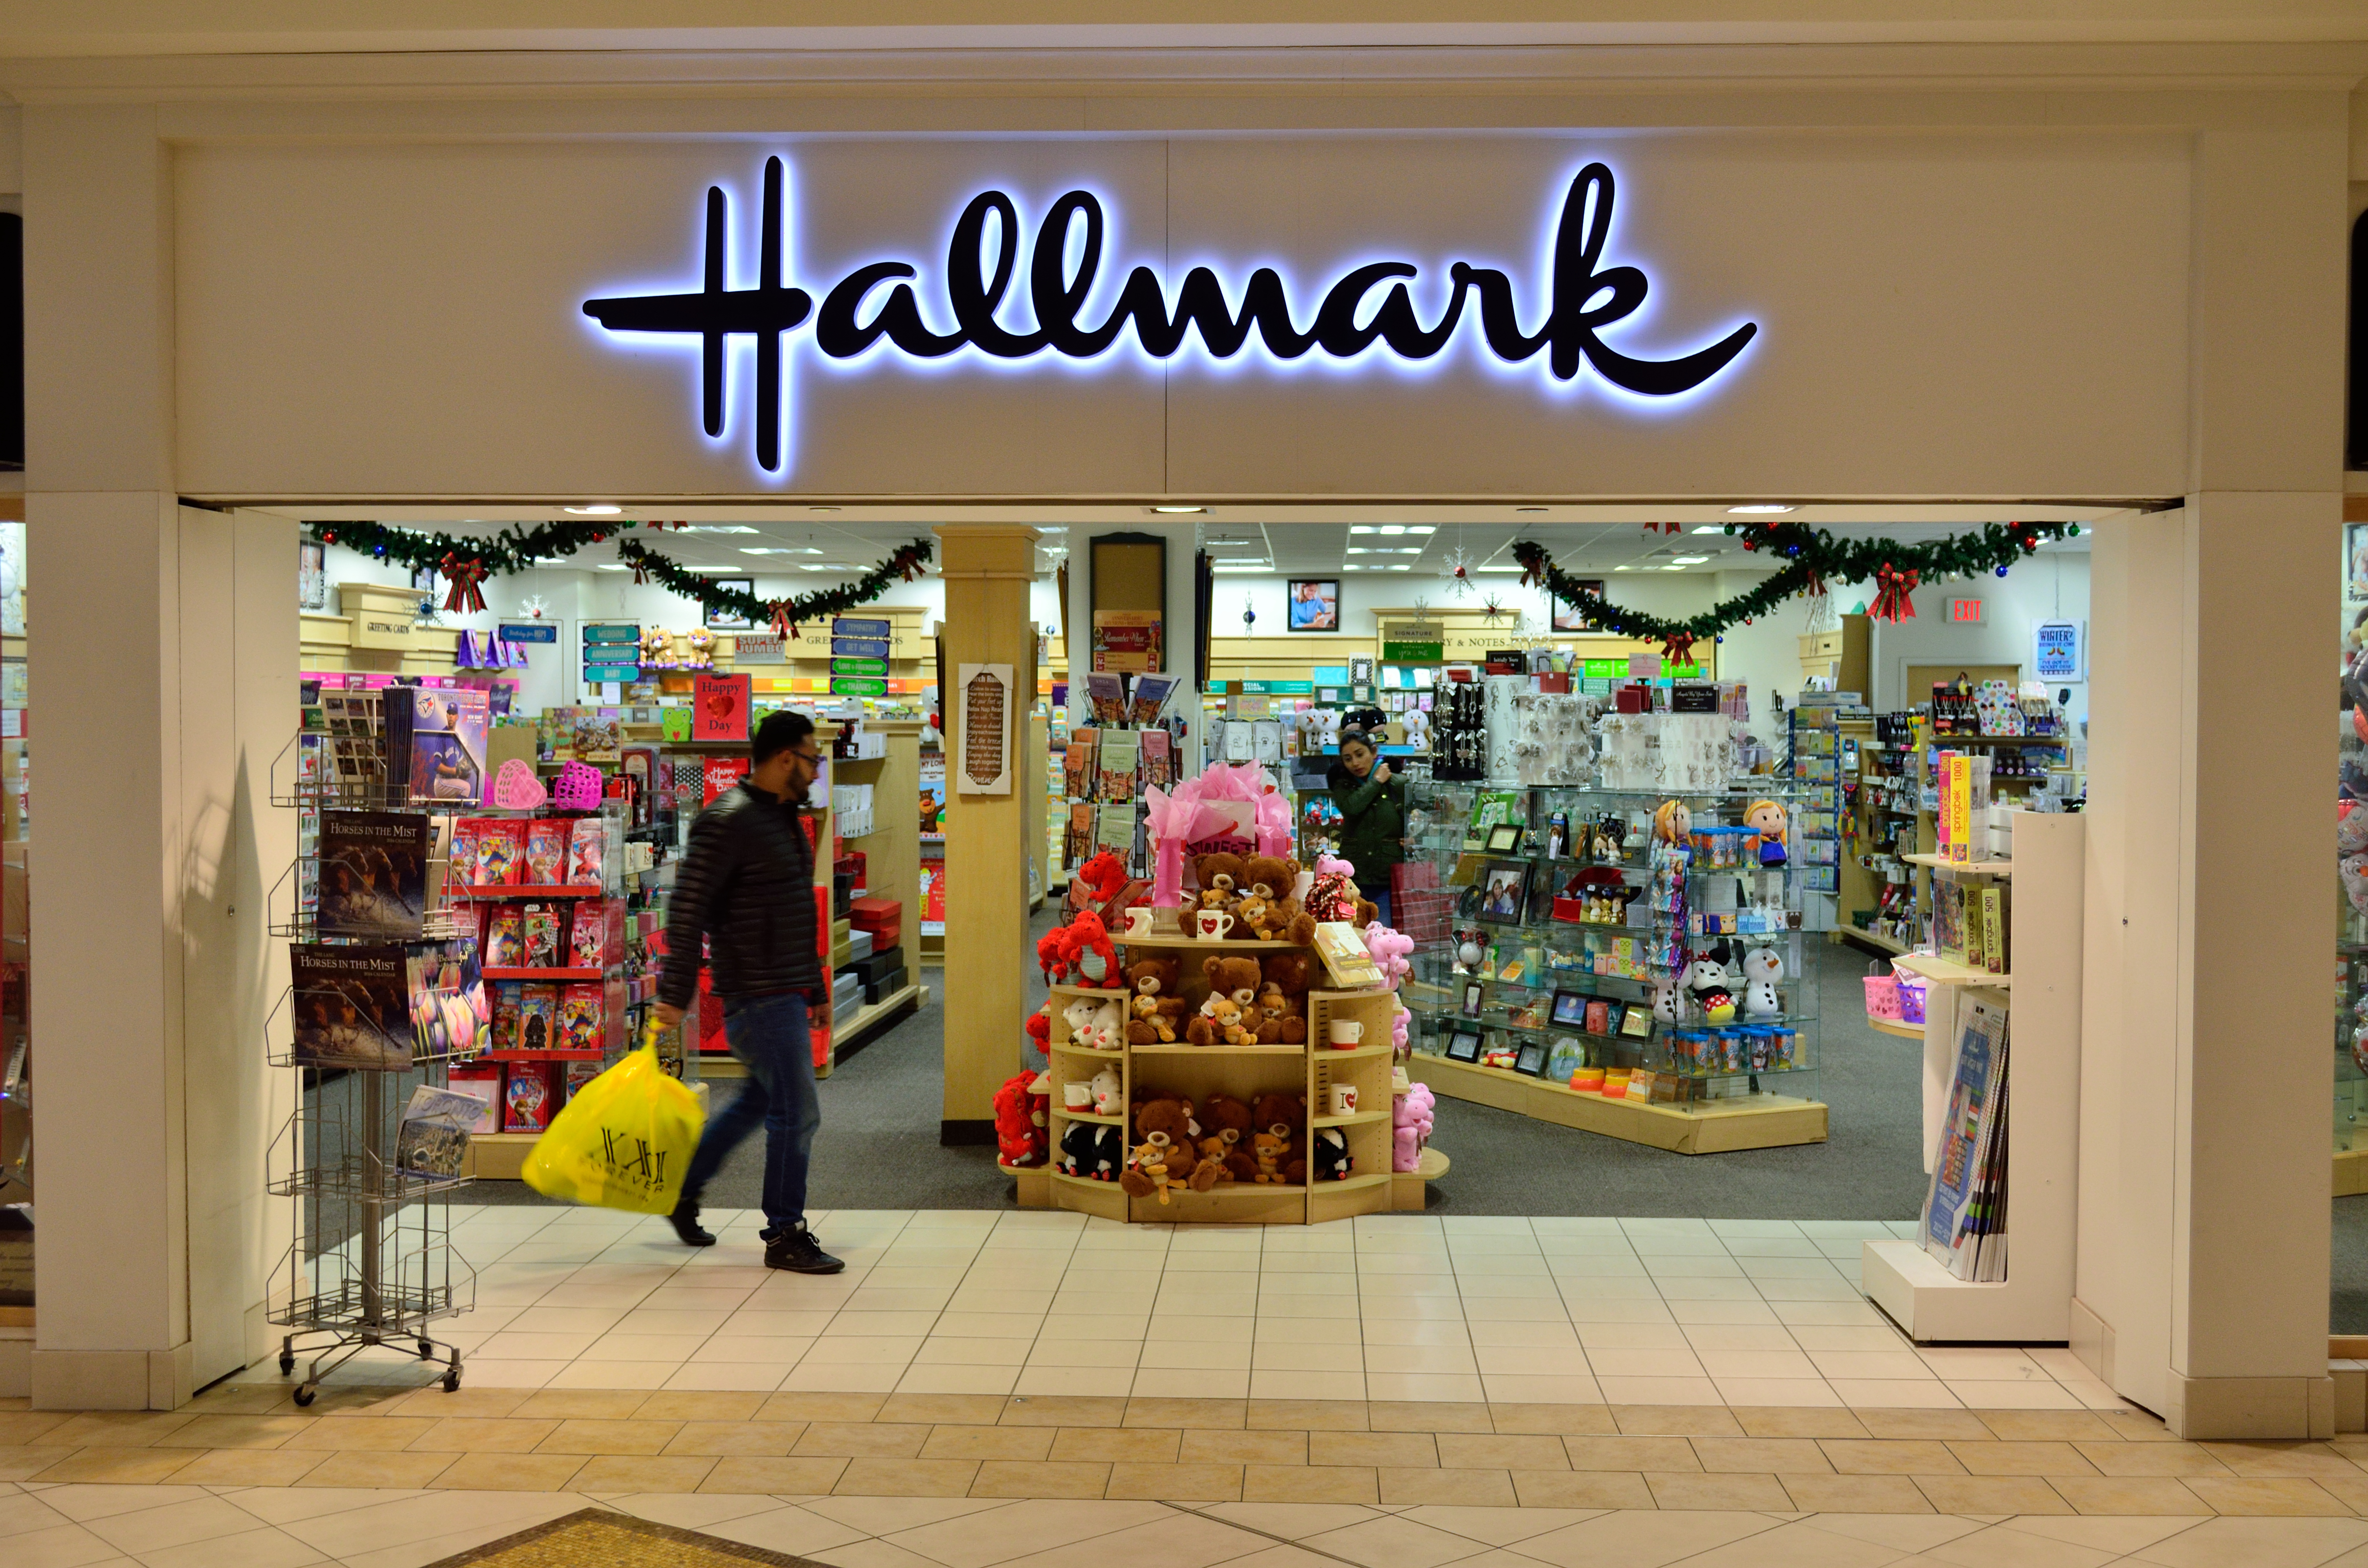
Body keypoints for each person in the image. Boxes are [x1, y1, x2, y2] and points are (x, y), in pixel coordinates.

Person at [656, 710, 842, 1273]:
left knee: (763, 1102)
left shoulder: (784, 817)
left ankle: (683, 1187)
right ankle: (784, 1232)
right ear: (785, 758)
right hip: (757, 995)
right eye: (812, 759)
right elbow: (688, 909)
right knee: (798, 1110)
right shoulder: (727, 820)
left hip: (784, 989)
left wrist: (815, 988)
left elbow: (793, 914)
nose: (816, 771)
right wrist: (674, 992)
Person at [1327, 726, 1405, 927]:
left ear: (1374, 752)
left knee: (1382, 936)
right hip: (1353, 877)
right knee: (1352, 936)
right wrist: (1376, 781)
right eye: (1348, 758)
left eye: (1360, 754)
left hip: (1386, 878)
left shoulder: (1397, 783)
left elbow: (1424, 813)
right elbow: (1352, 807)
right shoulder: (1343, 785)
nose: (1356, 763)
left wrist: (1415, 838)